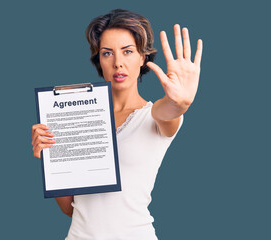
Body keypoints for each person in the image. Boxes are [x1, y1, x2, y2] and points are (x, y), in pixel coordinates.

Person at [31, 8, 202, 240]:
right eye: (107, 53)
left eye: (128, 51)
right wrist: (50, 159)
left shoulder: (153, 116)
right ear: (99, 60)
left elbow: (169, 112)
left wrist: (180, 103)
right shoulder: (78, 117)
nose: (118, 63)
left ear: (142, 57)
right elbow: (71, 209)